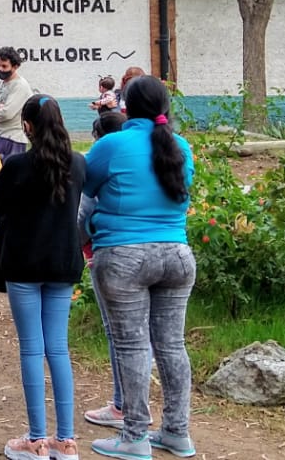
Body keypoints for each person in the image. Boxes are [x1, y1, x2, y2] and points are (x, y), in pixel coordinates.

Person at [85, 75, 197, 460]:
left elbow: (86, 187)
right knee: (172, 346)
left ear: (125, 108)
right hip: (178, 255)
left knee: (132, 345)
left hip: (123, 256)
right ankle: (177, 432)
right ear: (165, 108)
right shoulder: (181, 146)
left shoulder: (112, 144)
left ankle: (134, 435)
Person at [0, 95, 86, 460]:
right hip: (63, 263)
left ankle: (36, 441)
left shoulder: (16, 166)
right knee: (58, 348)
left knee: (31, 348)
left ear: (27, 127)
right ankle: (67, 441)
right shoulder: (78, 164)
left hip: (23, 264)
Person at [78, 111, 130, 431]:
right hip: (166, 248)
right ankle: (171, 422)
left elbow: (85, 210)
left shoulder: (99, 158)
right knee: (155, 337)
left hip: (109, 251)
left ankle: (123, 406)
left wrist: (75, 243)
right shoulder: (163, 150)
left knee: (118, 333)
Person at [0, 47, 33, 192]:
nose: (0, 69)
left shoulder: (20, 86)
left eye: (4, 66)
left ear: (15, 66)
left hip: (13, 137)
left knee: (10, 181)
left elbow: (7, 113)